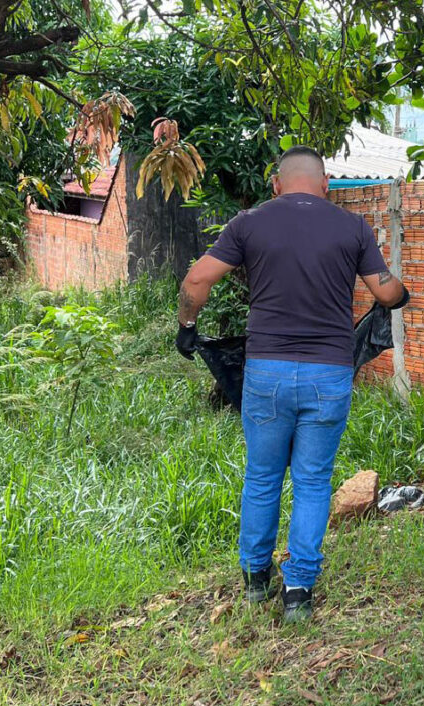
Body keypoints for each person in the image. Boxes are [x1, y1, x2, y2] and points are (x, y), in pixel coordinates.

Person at [174, 146, 408, 623]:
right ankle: (298, 589)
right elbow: (386, 291)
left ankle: (256, 579)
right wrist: (400, 293)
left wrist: (187, 327)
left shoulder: (248, 223)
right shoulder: (352, 227)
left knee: (262, 477)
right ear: (325, 185)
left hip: (266, 374)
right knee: (313, 481)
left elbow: (196, 281)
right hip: (329, 373)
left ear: (277, 185)